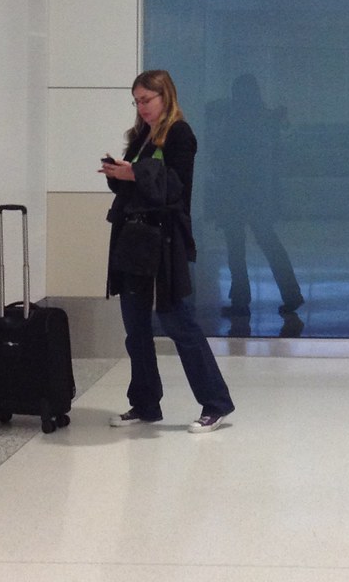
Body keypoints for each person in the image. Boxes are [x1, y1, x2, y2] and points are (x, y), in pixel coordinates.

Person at [100, 69, 234, 434]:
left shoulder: (179, 134)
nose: (141, 107)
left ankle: (216, 403)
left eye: (147, 99)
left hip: (163, 244)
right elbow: (138, 185)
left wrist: (135, 174)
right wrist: (119, 174)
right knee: (136, 329)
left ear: (165, 97)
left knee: (179, 324)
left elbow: (176, 188)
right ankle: (144, 403)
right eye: (137, 101)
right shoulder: (141, 136)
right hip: (133, 242)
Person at [207, 73, 304, 318]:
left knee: (236, 249)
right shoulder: (265, 119)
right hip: (258, 193)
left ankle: (241, 299)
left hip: (234, 192)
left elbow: (224, 154)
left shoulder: (235, 119)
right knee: (269, 243)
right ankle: (291, 293)